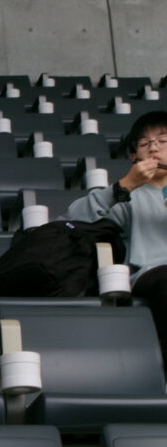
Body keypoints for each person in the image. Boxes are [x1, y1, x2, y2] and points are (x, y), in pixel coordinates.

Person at [67, 110, 167, 370]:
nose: (153, 147)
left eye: (163, 140)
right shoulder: (128, 194)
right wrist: (123, 187)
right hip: (154, 272)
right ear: (134, 157)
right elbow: (74, 217)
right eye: (144, 143)